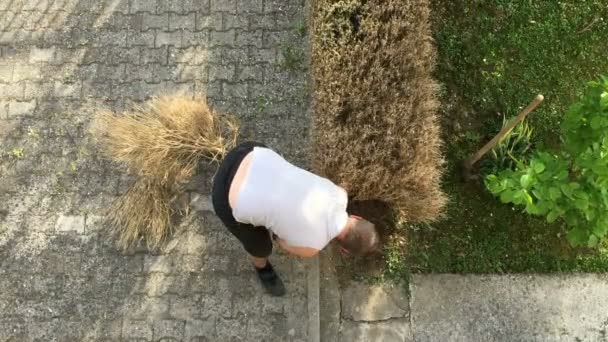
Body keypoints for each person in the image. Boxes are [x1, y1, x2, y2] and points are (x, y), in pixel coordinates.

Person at [212, 142, 380, 296]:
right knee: (261, 246)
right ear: (344, 250)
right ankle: (262, 268)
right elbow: (281, 241)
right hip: (224, 194)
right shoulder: (311, 249)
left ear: (357, 217)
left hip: (249, 151)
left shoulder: (340, 193)